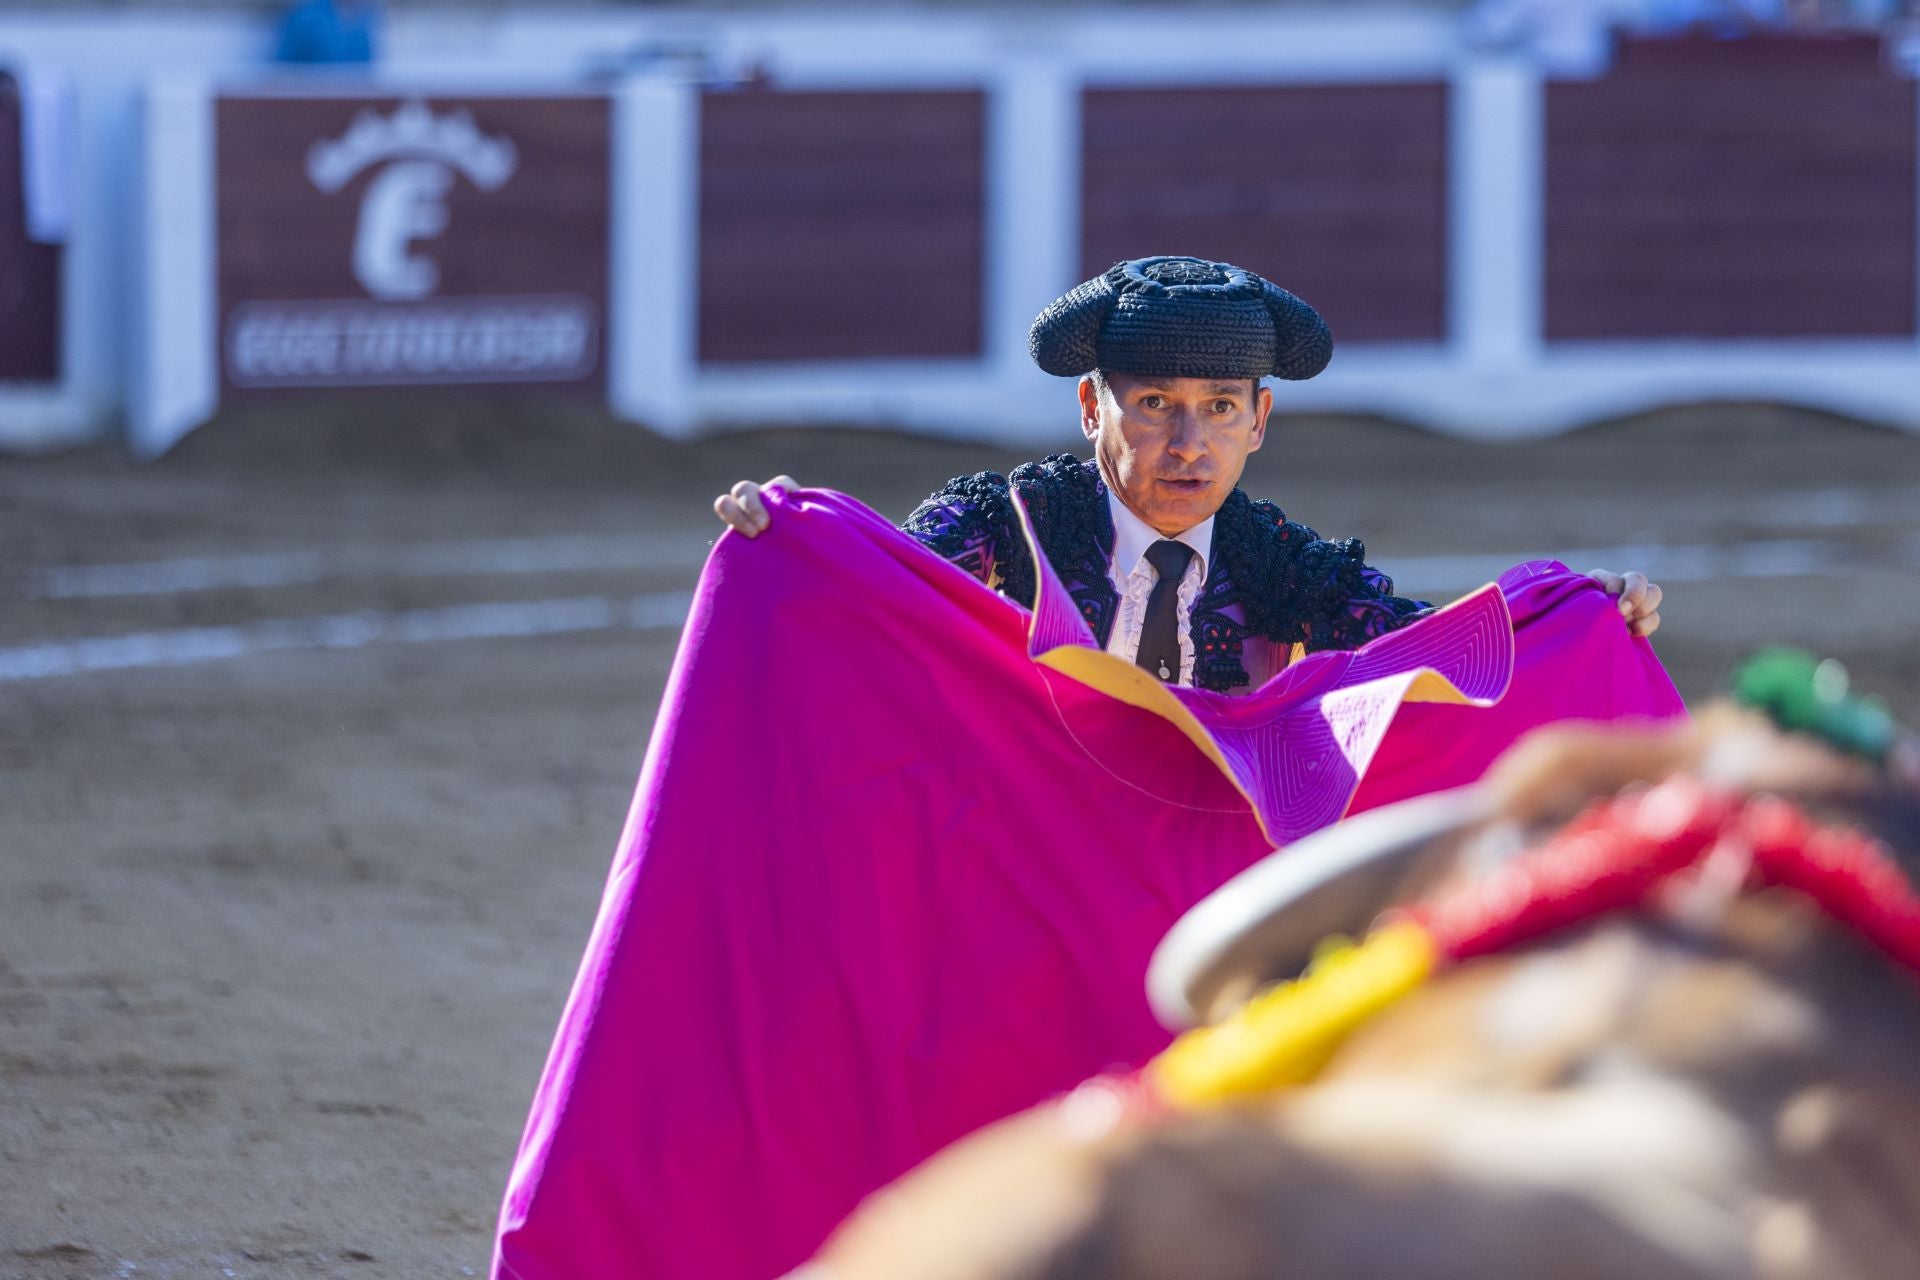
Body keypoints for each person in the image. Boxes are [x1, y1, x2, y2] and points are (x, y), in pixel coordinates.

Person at [714, 256, 1662, 694]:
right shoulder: (1014, 519)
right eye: (1154, 403)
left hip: (1204, 861)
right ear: (1093, 412)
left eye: (1218, 408)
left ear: (1260, 421)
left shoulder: (1275, 559)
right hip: (1021, 852)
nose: (1187, 445)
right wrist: (792, 541)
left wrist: (1579, 614)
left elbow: (1433, 649)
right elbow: (884, 578)